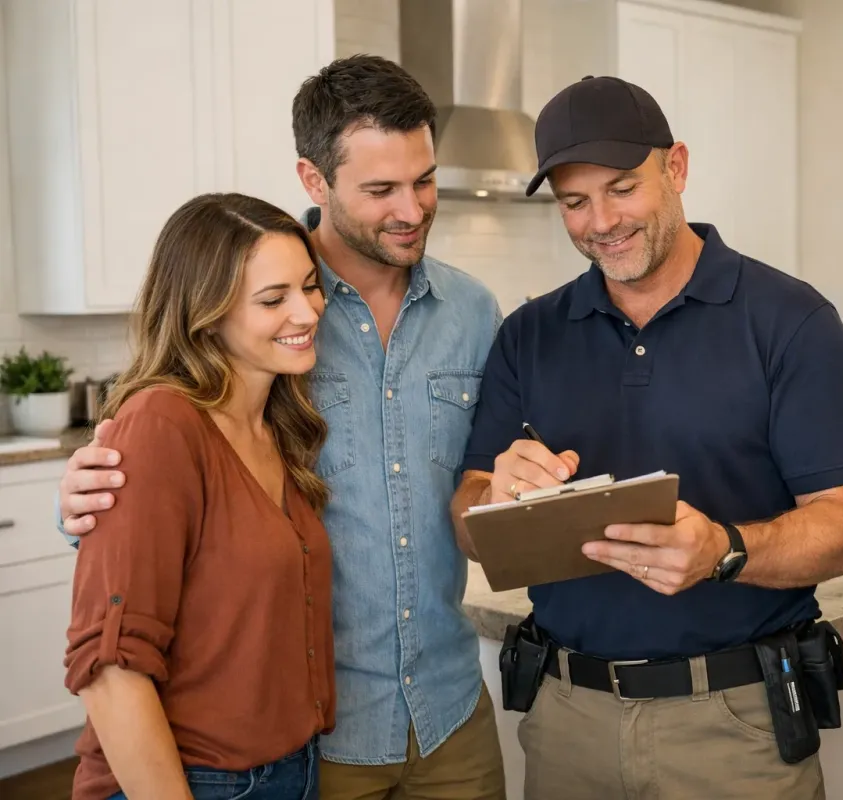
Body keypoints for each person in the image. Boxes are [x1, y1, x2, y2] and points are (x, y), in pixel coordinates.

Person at [55, 56, 507, 800]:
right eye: (380, 189)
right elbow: (154, 495)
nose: (412, 208)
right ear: (313, 180)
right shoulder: (255, 319)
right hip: (317, 738)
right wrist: (80, 504)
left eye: (424, 180)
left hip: (448, 708)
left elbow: (479, 481)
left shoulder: (472, 311)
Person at [449, 75, 843, 799]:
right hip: (565, 720)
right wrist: (497, 493)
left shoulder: (792, 322)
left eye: (623, 188)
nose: (601, 221)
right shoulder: (528, 333)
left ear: (676, 168)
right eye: (575, 202)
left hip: (736, 725)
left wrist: (725, 551)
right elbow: (465, 518)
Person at [64, 192, 334, 800]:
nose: (308, 311)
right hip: (192, 782)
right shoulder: (161, 424)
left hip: (290, 770)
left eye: (310, 287)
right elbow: (109, 670)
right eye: (274, 299)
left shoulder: (275, 427)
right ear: (206, 313)